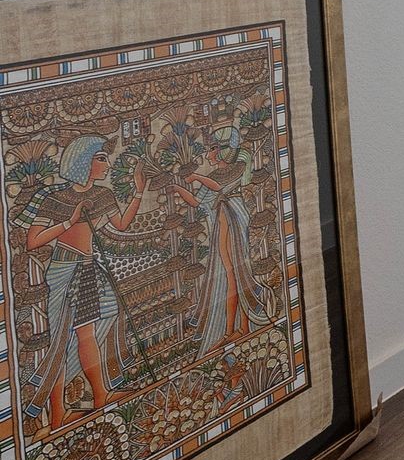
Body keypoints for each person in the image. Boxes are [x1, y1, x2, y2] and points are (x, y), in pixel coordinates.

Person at [19, 135, 144, 432]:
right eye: (101, 158)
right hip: (63, 271)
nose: (106, 164)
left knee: (88, 332)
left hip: (87, 268)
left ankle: (101, 395)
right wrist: (69, 221)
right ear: (82, 162)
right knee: (60, 341)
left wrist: (139, 192)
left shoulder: (103, 195)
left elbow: (121, 224)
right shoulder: (55, 199)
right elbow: (33, 241)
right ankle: (58, 414)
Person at [162, 124, 276, 354]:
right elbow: (196, 202)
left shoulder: (236, 168)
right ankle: (234, 329)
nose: (209, 153)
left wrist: (196, 176)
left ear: (223, 150)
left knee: (237, 273)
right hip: (222, 222)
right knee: (228, 274)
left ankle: (240, 328)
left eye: (212, 148)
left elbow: (217, 185)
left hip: (235, 218)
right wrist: (178, 188)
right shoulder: (214, 175)